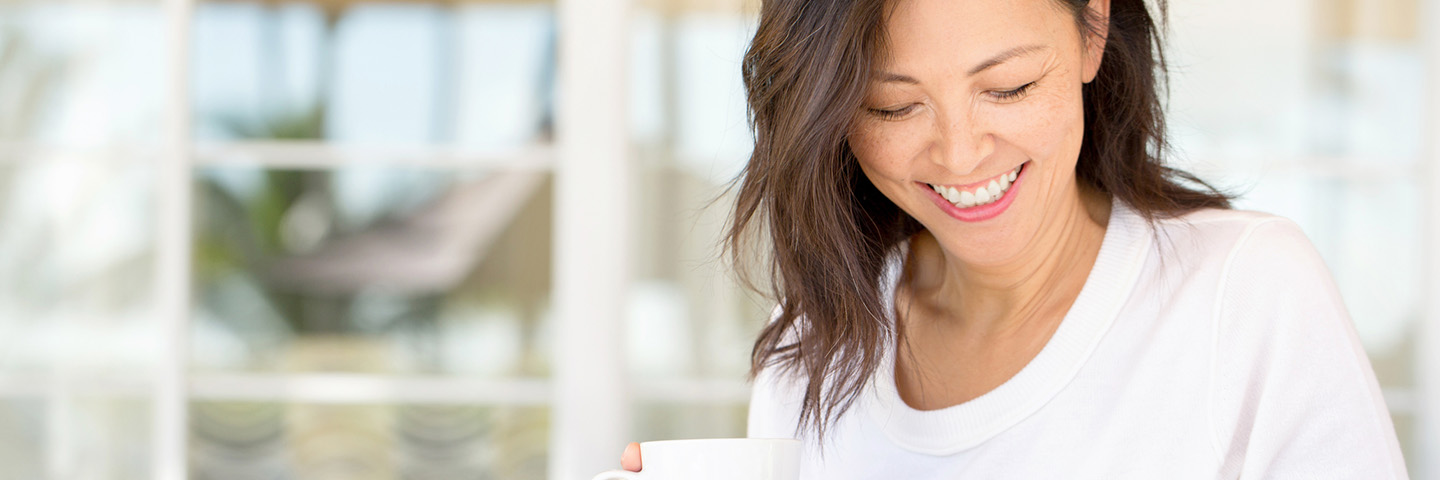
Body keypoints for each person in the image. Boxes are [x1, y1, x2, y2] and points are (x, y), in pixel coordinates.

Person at [620, 0, 1409, 476]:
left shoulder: (1247, 295)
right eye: (894, 106)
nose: (961, 155)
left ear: (1093, 27)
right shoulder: (812, 351)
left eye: (1009, 87)